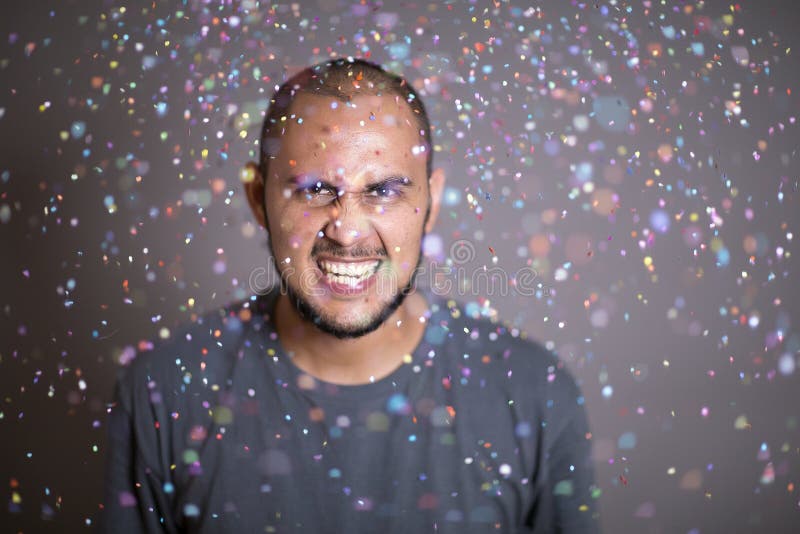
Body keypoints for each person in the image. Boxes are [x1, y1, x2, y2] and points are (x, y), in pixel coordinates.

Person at [100, 58, 601, 533]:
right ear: (259, 200)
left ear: (431, 201)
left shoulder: (534, 394)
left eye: (383, 191)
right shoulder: (163, 393)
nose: (347, 231)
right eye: (314, 189)